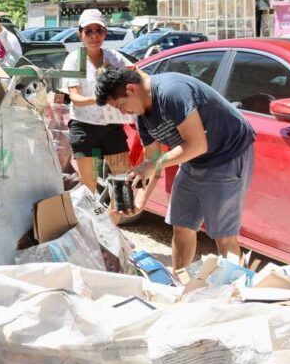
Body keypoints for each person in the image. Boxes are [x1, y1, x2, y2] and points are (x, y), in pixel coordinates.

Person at [95, 67, 256, 270]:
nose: (123, 112)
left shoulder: (172, 92)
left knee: (223, 235)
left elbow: (197, 145)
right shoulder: (142, 115)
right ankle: (181, 283)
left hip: (227, 155)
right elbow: (152, 160)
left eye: (121, 105)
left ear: (131, 89)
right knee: (181, 224)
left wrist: (153, 164)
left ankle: (236, 292)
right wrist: (139, 202)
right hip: (193, 159)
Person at [58, 9, 133, 193]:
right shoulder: (75, 59)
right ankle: (93, 220)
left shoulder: (114, 57)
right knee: (90, 184)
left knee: (122, 182)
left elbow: (134, 74)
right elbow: (75, 98)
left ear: (105, 33)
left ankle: (112, 220)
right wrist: (99, 99)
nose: (94, 36)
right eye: (88, 31)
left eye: (98, 30)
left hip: (112, 126)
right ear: (80, 34)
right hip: (84, 128)